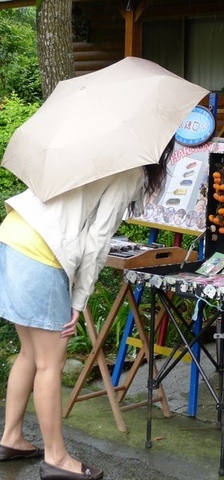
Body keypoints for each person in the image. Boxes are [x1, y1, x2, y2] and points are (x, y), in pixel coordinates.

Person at [0, 139, 173, 479]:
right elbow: (97, 240)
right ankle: (57, 459)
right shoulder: (131, 171)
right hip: (40, 253)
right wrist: (79, 301)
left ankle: (10, 437)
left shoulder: (92, 149)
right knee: (51, 364)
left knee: (30, 355)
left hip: (12, 236)